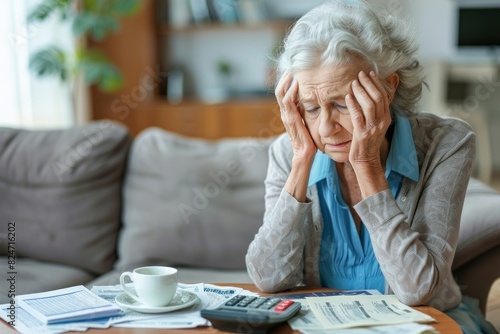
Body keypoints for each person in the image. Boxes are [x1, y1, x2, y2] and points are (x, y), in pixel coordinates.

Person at [245, 1, 497, 333]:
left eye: (339, 104)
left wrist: (366, 165)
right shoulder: (289, 153)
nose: (325, 129)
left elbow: (417, 290)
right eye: (311, 107)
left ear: (389, 86)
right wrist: (301, 162)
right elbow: (267, 278)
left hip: (426, 322)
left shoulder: (447, 143)